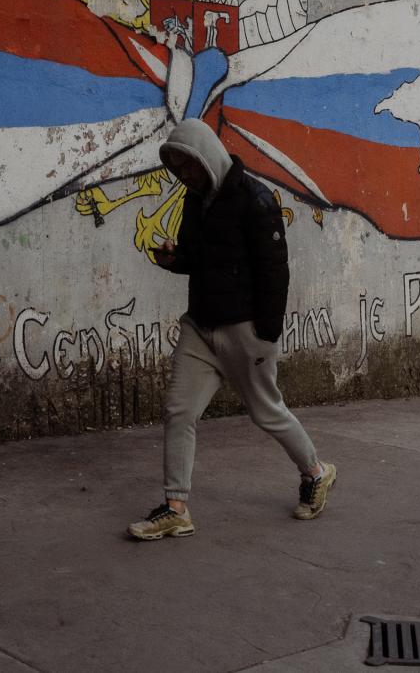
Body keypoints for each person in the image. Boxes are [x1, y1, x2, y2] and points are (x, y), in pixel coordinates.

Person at [127, 118, 335, 540]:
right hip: (200, 326)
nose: (185, 175)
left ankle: (316, 472)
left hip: (245, 330)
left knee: (266, 412)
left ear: (208, 155)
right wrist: (173, 257)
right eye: (178, 168)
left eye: (189, 165)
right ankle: (175, 508)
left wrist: (266, 335)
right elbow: (195, 259)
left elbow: (275, 273)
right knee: (178, 411)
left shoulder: (255, 199)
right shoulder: (193, 200)